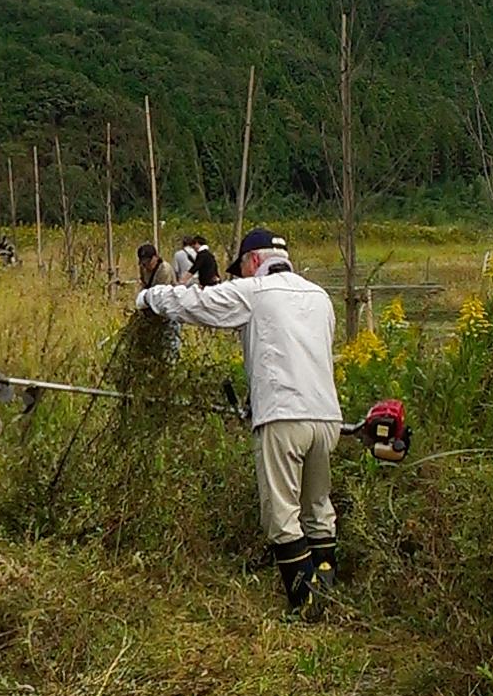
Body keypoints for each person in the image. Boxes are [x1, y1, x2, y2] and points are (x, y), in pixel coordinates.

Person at [137, 226, 343, 611]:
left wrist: (150, 297)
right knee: (318, 507)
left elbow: (195, 302)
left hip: (282, 417)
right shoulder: (320, 297)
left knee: (282, 514)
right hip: (326, 417)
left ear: (254, 261)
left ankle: (306, 604)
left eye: (243, 267)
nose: (242, 274)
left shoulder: (255, 292)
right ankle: (328, 589)